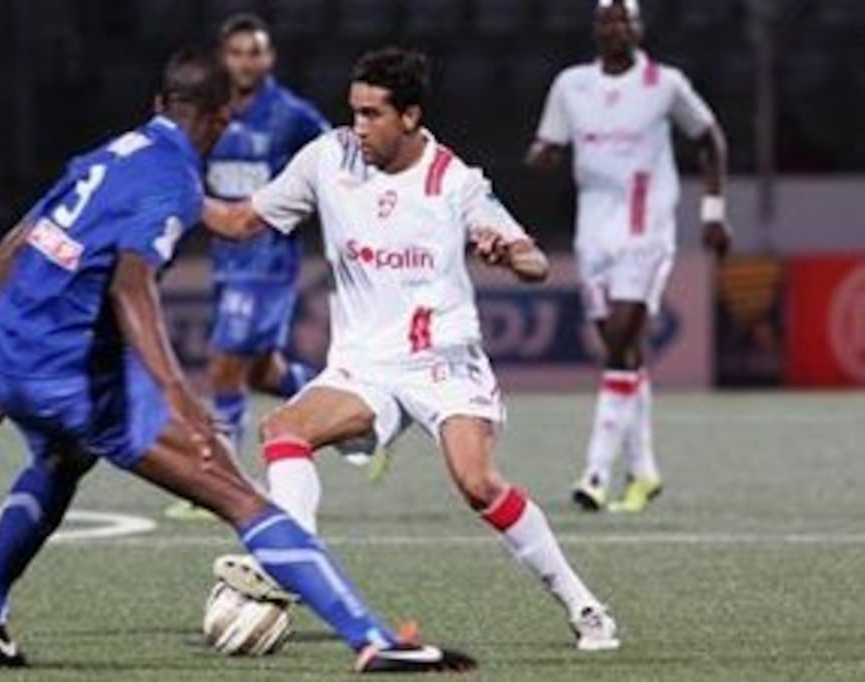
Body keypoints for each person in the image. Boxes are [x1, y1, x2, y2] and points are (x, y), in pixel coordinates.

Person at [0, 47, 475, 674]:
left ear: (158, 105)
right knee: (239, 496)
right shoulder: (174, 175)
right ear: (222, 119)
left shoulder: (109, 155)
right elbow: (131, 284)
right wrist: (178, 398)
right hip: (72, 373)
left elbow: (7, 252)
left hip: (10, 356)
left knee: (62, 459)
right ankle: (373, 640)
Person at [203, 47, 620, 652]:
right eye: (354, 111)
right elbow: (244, 222)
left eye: (372, 114)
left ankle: (585, 607)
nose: (358, 127)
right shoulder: (328, 158)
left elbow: (530, 258)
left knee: (477, 484)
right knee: (283, 430)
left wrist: (510, 253)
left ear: (410, 117)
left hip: (443, 362)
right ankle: (293, 561)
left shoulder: (454, 181)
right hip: (363, 366)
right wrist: (177, 198)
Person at [525, 0, 730, 513]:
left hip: (648, 225)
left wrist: (712, 210)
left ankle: (595, 473)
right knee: (620, 350)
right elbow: (547, 144)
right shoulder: (571, 85)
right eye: (608, 19)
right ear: (596, 30)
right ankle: (644, 472)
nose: (617, 27)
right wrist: (541, 156)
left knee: (619, 341)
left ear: (640, 28)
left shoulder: (665, 83)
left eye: (626, 19)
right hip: (592, 228)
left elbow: (710, 139)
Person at [165, 13, 331, 521]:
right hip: (225, 256)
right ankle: (351, 404)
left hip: (268, 257)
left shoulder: (292, 115)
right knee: (261, 371)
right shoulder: (207, 113)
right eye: (236, 53)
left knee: (223, 364)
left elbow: (335, 162)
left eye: (254, 52)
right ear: (223, 58)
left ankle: (220, 477)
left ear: (269, 58)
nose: (245, 62)